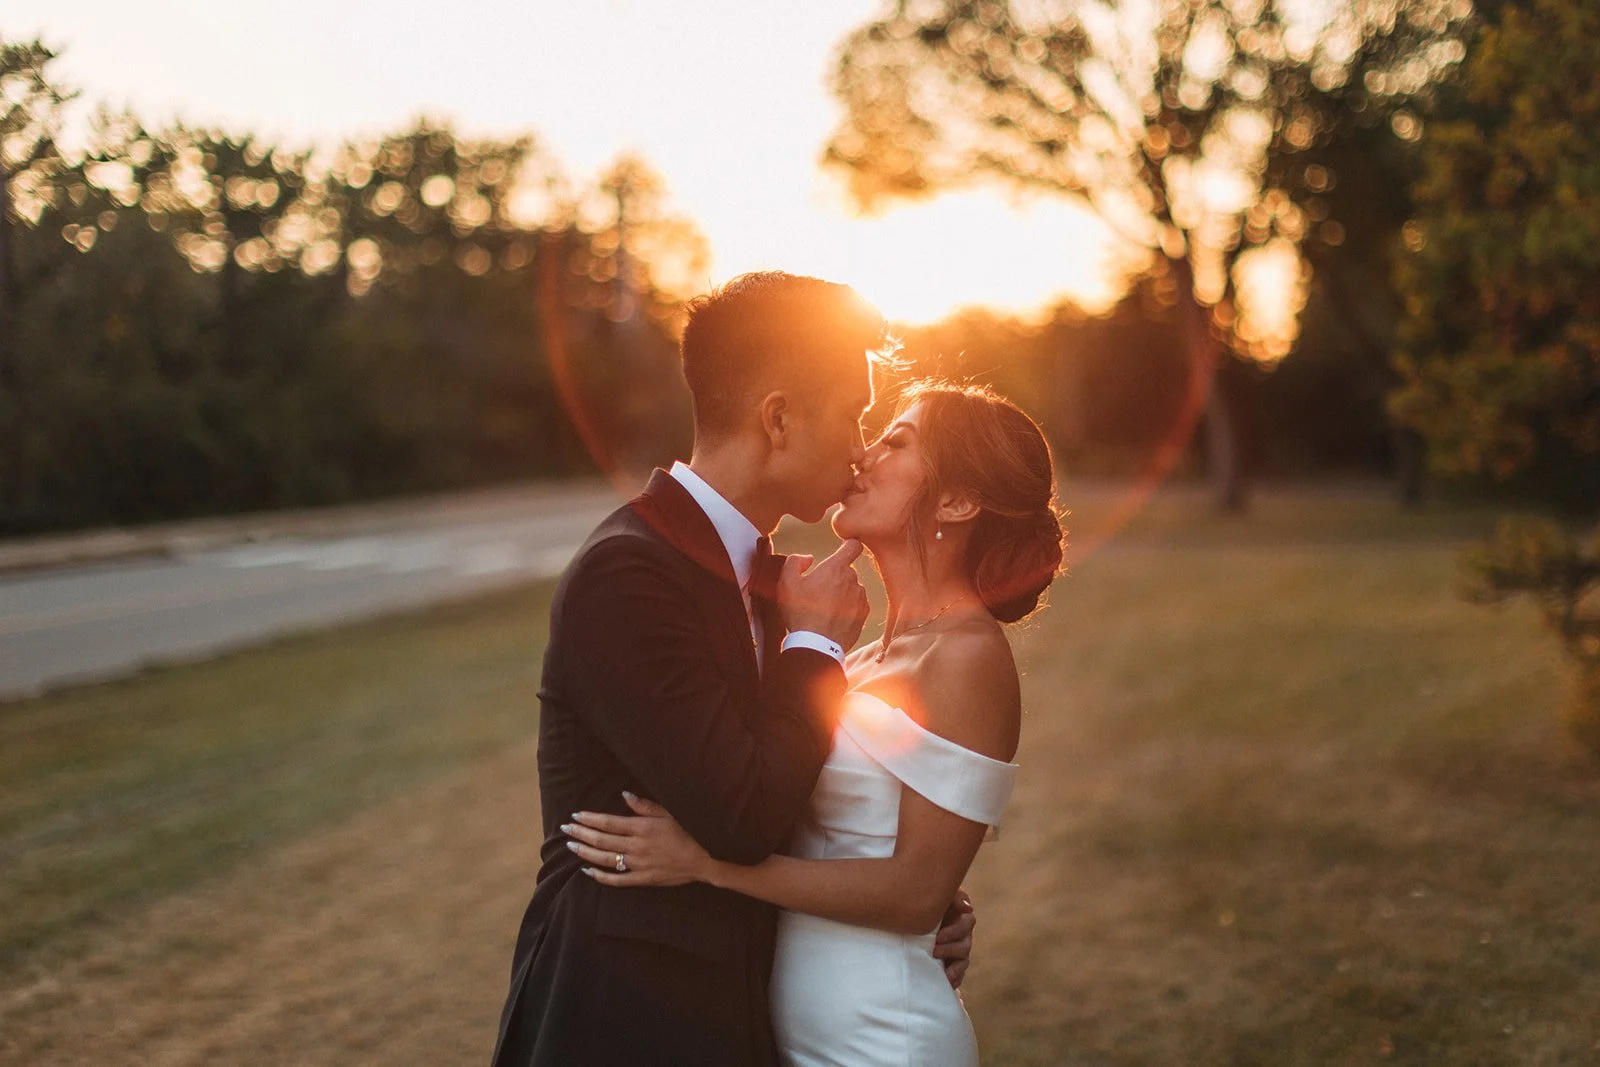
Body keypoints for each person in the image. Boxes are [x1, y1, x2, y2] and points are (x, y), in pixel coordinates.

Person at [491, 273, 977, 1067]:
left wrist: (917, 899)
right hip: (620, 1021)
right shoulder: (629, 573)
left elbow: (796, 788)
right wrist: (813, 649)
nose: (862, 444)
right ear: (778, 418)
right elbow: (744, 810)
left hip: (741, 1013)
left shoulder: (765, 578)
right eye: (854, 413)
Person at [564, 380, 1065, 1066]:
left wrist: (707, 864)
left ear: (955, 500)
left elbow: (917, 892)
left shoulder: (970, 656)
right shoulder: (856, 658)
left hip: (885, 1036)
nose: (864, 455)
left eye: (896, 441)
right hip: (797, 1030)